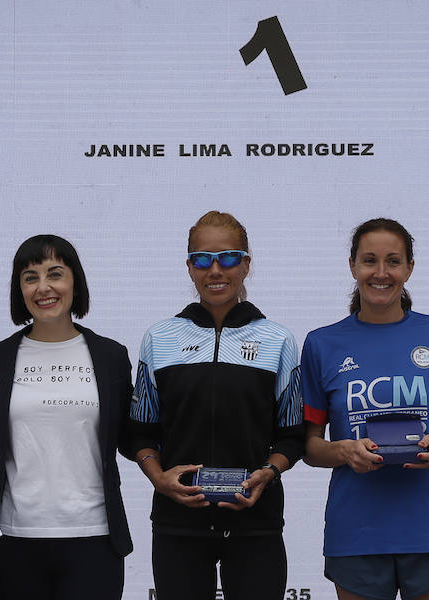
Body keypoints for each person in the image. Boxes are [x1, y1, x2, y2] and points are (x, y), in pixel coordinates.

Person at [129, 210, 304, 600]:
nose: (215, 270)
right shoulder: (159, 338)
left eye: (227, 258)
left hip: (256, 522)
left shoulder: (278, 340)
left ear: (246, 264)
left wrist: (268, 473)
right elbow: (140, 431)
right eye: (202, 260)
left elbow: (293, 437)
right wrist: (158, 477)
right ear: (190, 267)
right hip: (179, 525)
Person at [302, 218, 429, 600]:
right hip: (356, 532)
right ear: (353, 266)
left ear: (409, 268)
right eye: (369, 261)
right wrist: (343, 450)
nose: (381, 273)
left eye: (393, 261)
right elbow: (310, 446)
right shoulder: (321, 344)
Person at [0, 234, 133, 600]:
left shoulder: (111, 356)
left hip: (95, 537)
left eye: (55, 274)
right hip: (13, 539)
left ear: (74, 282)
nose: (43, 287)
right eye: (30, 277)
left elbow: (131, 436)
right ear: (19, 289)